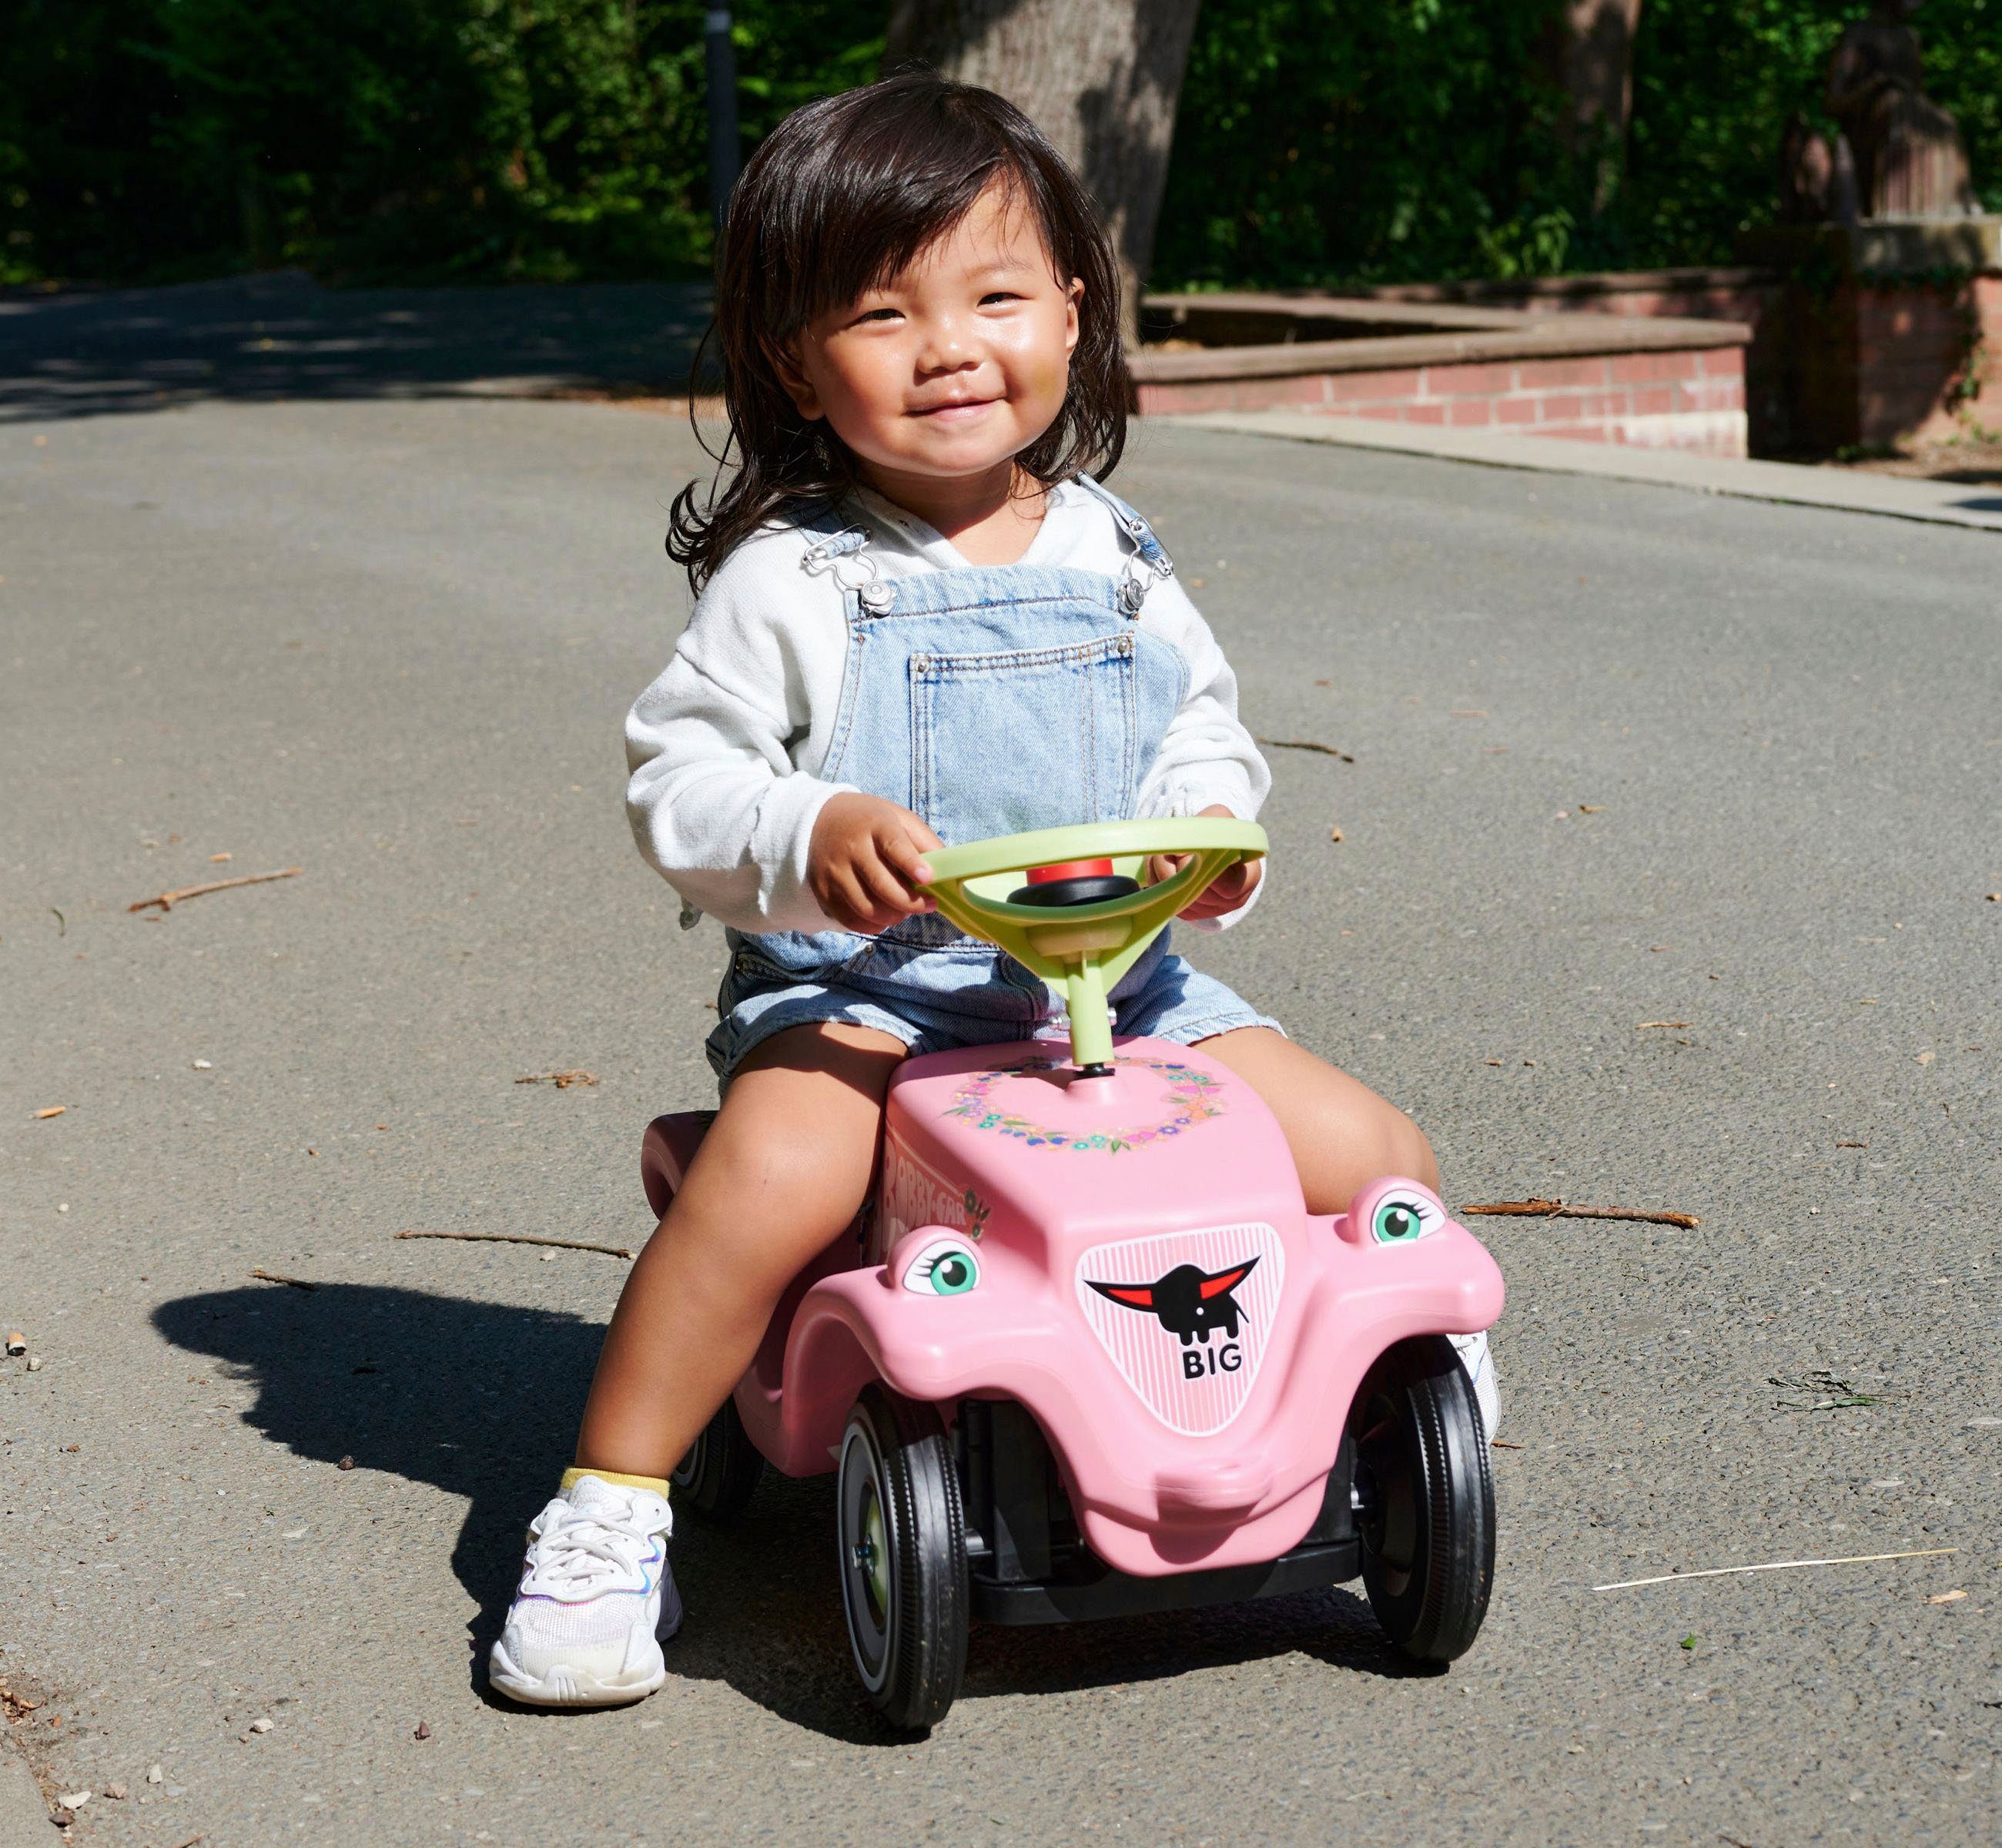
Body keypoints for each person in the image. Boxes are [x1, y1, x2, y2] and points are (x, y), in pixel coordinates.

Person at [487, 73, 1496, 1710]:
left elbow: (1199, 730)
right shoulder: (799, 579)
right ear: (795, 359)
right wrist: (800, 824)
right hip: (870, 998)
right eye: (882, 314)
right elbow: (678, 773)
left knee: (1370, 1152)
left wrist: (1205, 832)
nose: (948, 346)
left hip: (1119, 990)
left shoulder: (1113, 551)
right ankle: (610, 1501)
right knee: (773, 1179)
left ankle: (1379, 1390)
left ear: (1074, 312)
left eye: (994, 295)